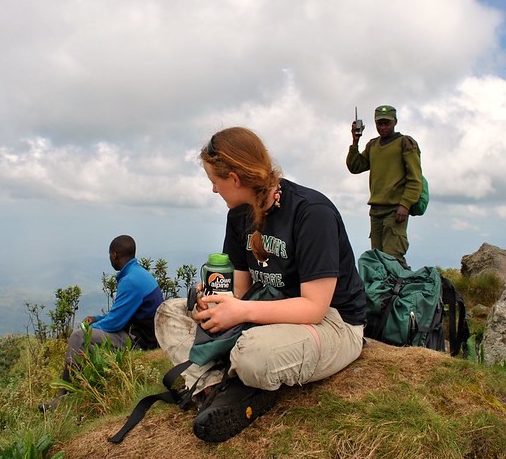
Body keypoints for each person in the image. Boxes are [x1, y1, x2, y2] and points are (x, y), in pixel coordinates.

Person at [155, 127, 366, 442]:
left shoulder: (311, 213)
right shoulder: (239, 216)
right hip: (266, 311)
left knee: (252, 355)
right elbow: (238, 290)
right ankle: (215, 388)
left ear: (236, 179)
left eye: (216, 182)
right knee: (168, 313)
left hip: (333, 324)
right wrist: (214, 302)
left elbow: (315, 307)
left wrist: (239, 312)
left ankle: (241, 376)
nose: (214, 190)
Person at [39, 234, 164, 412]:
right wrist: (97, 319)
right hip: (142, 334)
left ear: (114, 255)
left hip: (140, 342)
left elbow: (113, 324)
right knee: (85, 336)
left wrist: (89, 329)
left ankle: (63, 398)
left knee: (78, 338)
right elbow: (121, 315)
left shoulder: (131, 281)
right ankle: (81, 388)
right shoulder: (138, 274)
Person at [346, 104, 422, 269]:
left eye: (387, 123)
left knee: (393, 259)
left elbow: (415, 178)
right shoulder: (373, 145)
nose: (383, 127)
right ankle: (384, 294)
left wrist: (405, 204)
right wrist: (355, 141)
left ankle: (405, 292)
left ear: (395, 121)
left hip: (395, 211)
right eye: (380, 123)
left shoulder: (405, 143)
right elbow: (355, 166)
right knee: (377, 261)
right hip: (376, 211)